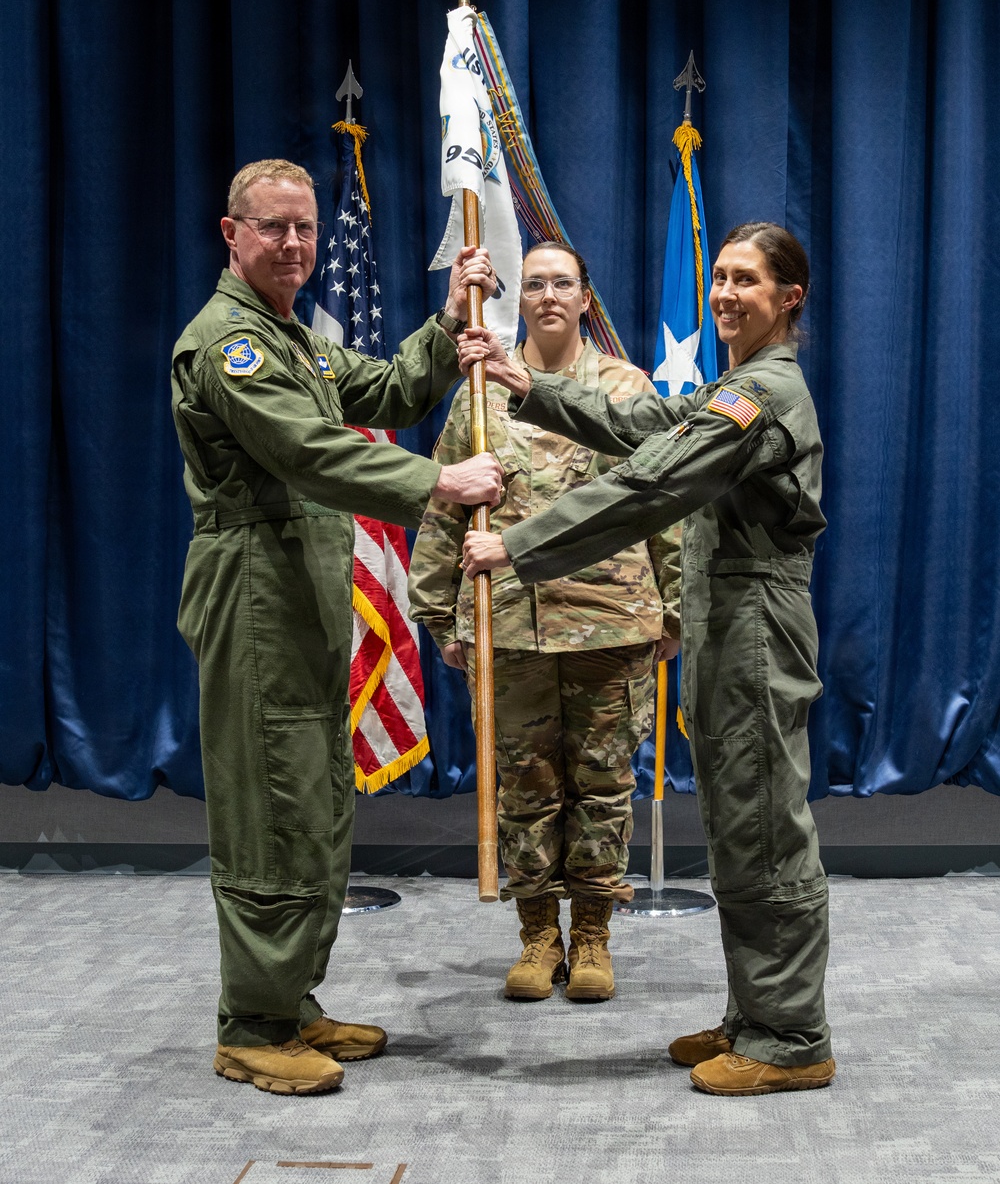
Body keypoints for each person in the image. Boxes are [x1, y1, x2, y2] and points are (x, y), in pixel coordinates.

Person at [459, 223, 835, 1097]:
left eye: (747, 280)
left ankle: (791, 1037)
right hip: (729, 624)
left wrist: (518, 545)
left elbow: (653, 482)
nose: (725, 294)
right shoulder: (736, 387)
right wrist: (532, 388)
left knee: (765, 830)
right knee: (739, 826)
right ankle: (755, 1014)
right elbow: (650, 423)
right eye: (720, 277)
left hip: (755, 626)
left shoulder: (764, 393)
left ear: (790, 298)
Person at [171, 158, 502, 1096]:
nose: (294, 244)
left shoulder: (292, 339)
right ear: (231, 234)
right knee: (271, 806)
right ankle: (252, 1023)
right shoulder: (228, 345)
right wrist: (439, 483)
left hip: (301, 587)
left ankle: (291, 1001)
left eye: (305, 228)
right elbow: (307, 449)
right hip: (255, 590)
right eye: (272, 226)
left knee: (314, 798)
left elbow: (386, 393)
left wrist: (448, 320)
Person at [407, 242, 681, 1002]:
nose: (549, 296)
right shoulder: (478, 393)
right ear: (517, 298)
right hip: (509, 624)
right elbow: (445, 503)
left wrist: (676, 606)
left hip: (611, 621)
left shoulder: (625, 388)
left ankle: (592, 933)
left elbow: (665, 501)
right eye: (534, 284)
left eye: (563, 283)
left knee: (603, 783)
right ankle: (537, 936)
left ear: (586, 298)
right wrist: (439, 612)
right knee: (523, 786)